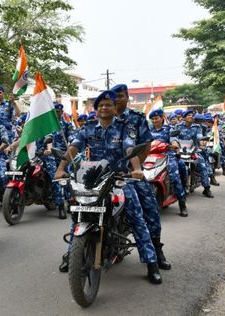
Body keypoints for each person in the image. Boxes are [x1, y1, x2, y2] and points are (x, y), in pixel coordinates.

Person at [55, 90, 162, 284]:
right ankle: (72, 255)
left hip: (120, 178)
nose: (104, 107)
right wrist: (61, 168)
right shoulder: (88, 128)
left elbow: (130, 148)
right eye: (101, 105)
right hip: (93, 179)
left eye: (108, 104)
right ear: (96, 109)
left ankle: (152, 263)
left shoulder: (124, 127)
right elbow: (74, 147)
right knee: (80, 213)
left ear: (114, 108)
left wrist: (136, 169)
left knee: (136, 218)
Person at [112, 84, 171, 271]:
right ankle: (74, 251)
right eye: (113, 96)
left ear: (127, 97)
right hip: (105, 174)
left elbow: (145, 145)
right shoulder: (101, 118)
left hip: (131, 173)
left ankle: (156, 251)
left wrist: (133, 168)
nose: (116, 100)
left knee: (149, 209)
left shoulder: (136, 119)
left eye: (120, 96)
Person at [149, 109, 188, 217]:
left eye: (156, 118)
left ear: (162, 118)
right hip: (150, 156)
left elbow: (174, 140)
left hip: (167, 155)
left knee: (174, 177)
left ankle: (182, 204)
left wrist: (174, 144)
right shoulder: (148, 130)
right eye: (152, 119)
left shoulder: (169, 129)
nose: (154, 121)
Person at [174, 110, 215, 197]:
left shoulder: (197, 127)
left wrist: (202, 141)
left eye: (192, 115)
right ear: (184, 118)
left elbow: (199, 136)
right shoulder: (178, 126)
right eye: (188, 115)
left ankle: (206, 188)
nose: (191, 116)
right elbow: (174, 137)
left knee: (203, 166)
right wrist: (175, 145)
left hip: (193, 151)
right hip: (180, 151)